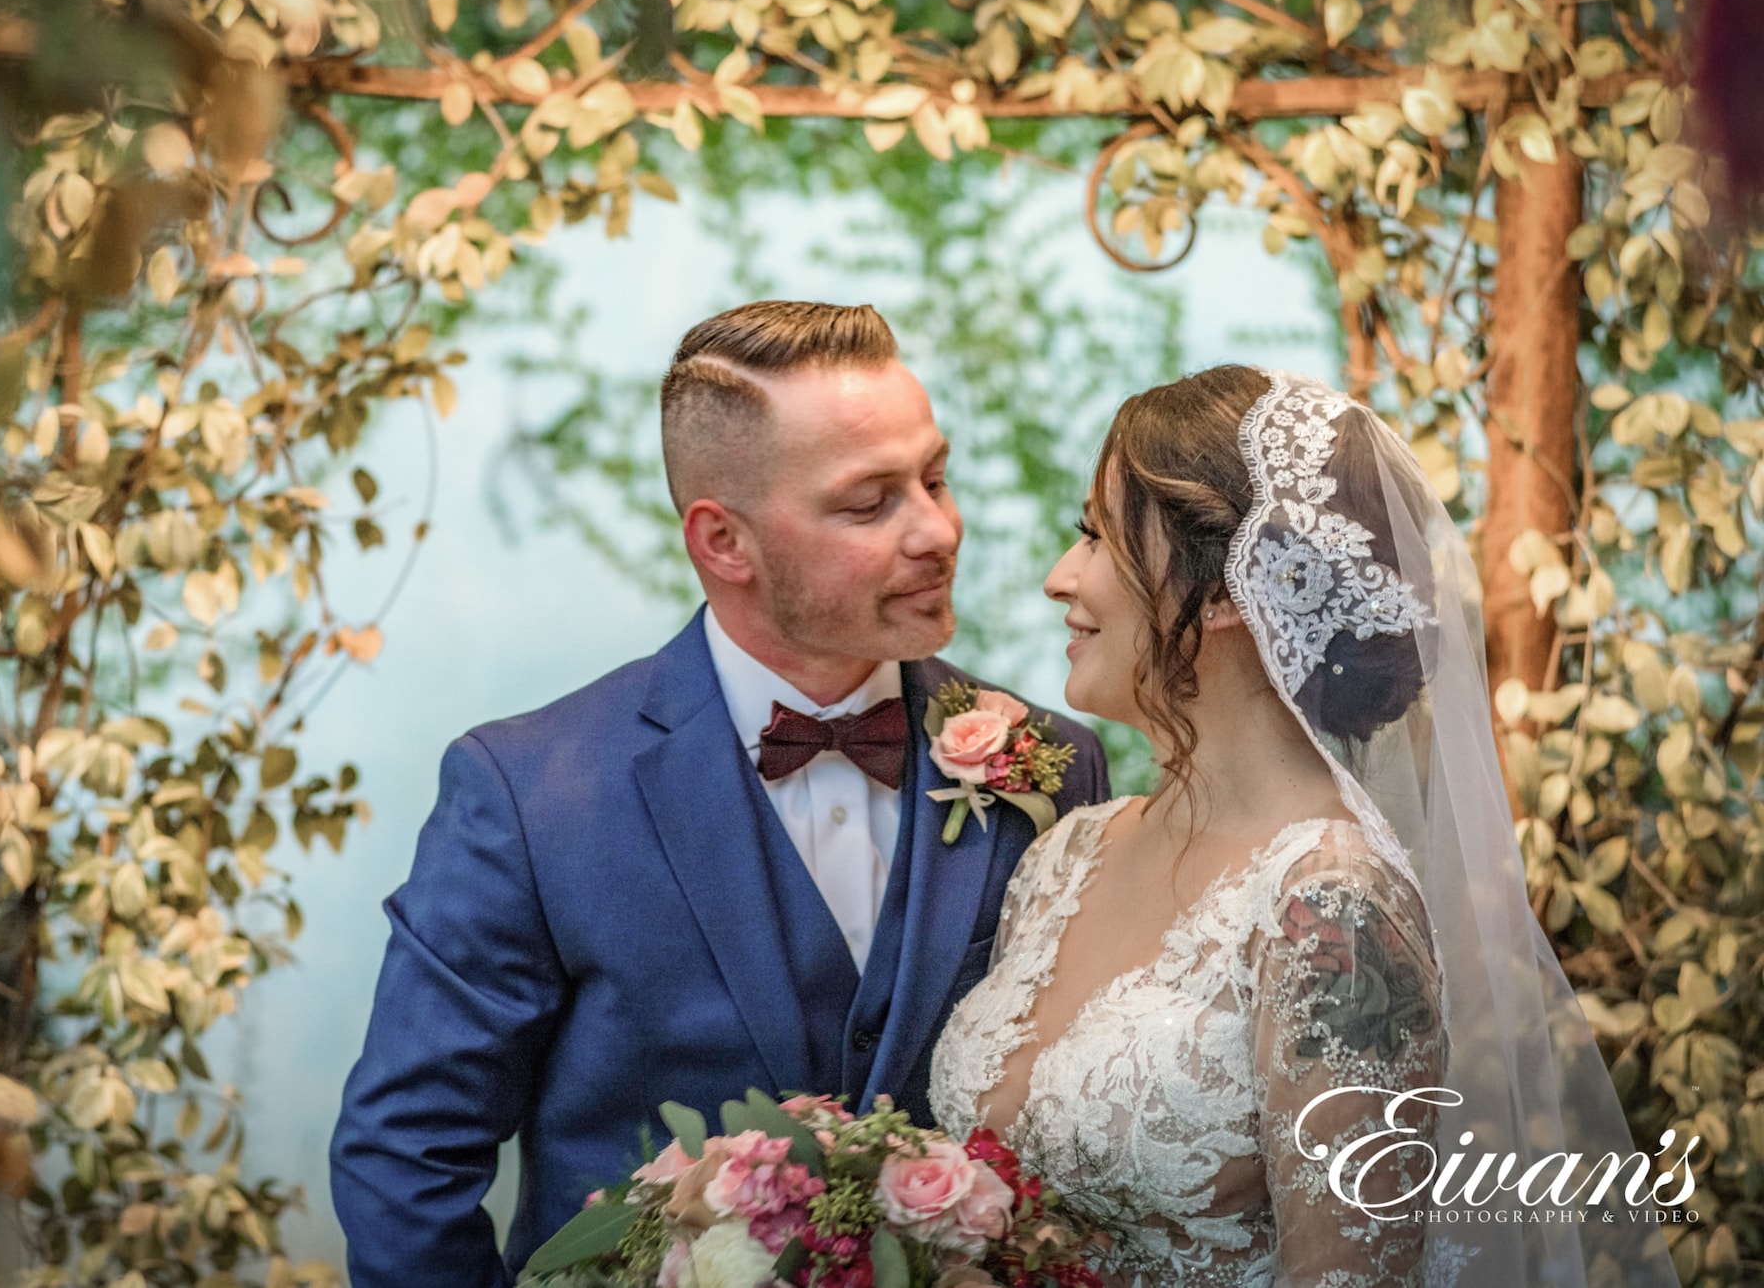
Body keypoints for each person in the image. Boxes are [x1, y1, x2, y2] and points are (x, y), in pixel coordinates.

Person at [331, 301, 1109, 1287]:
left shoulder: (1050, 764)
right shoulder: (528, 793)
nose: (936, 529)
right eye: (869, 502)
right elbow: (407, 1153)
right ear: (723, 541)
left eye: (934, 477)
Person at [931, 365, 1680, 1287]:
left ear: (1222, 593)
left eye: (1095, 535)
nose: (1060, 578)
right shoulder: (1063, 857)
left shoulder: (1333, 908)